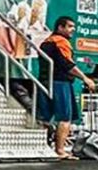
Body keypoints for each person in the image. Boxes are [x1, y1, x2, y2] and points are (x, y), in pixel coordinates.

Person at [40, 16, 94, 160]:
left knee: (45, 117)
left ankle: (43, 147)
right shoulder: (60, 42)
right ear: (60, 27)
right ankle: (60, 150)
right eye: (69, 27)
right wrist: (85, 78)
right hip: (60, 83)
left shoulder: (46, 42)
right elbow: (68, 65)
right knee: (65, 118)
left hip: (45, 81)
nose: (73, 30)